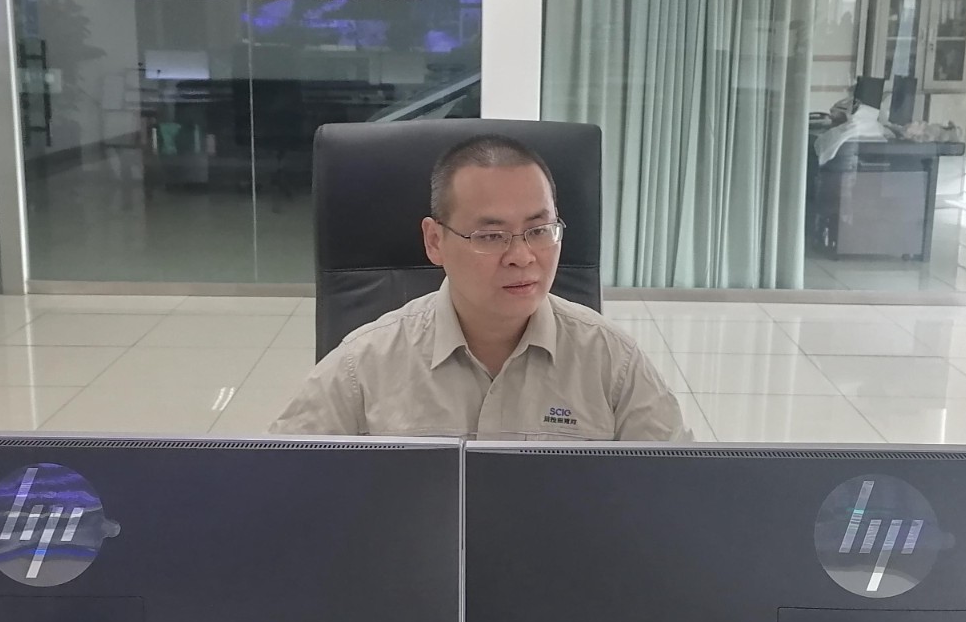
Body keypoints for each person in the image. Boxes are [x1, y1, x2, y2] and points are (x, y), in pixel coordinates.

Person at [269, 134, 688, 441]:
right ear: (435, 241)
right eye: (491, 236)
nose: (522, 256)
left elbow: (679, 494)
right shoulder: (363, 366)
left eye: (539, 230)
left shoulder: (613, 363)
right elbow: (281, 485)